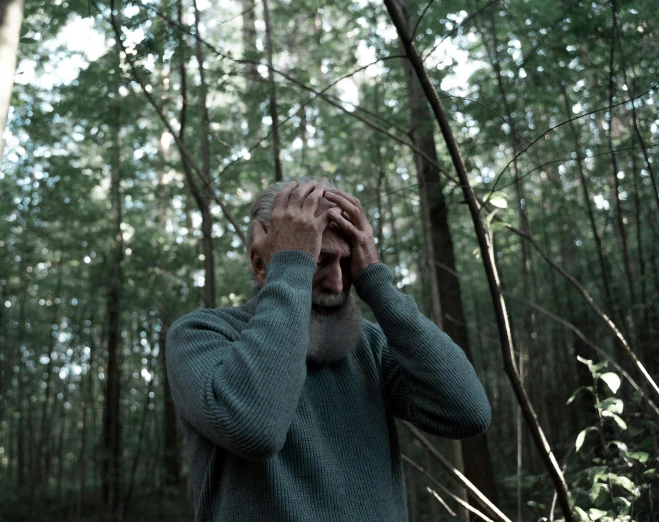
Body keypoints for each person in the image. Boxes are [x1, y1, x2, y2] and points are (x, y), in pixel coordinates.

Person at [166, 176, 491, 522]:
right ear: (261, 264)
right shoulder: (202, 334)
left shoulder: (369, 347)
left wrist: (376, 280)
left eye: (347, 262)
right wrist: (292, 265)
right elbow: (254, 428)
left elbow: (467, 412)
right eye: (318, 260)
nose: (337, 283)